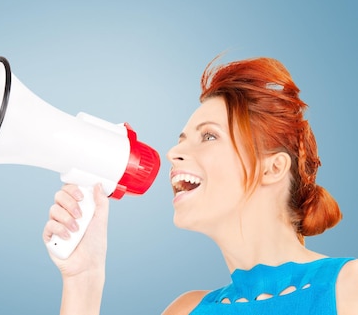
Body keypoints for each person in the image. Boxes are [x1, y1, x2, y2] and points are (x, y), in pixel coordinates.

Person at [43, 56, 358, 314]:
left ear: (272, 168)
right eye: (181, 140)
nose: (173, 153)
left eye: (209, 136)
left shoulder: (349, 287)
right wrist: (83, 281)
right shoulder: (186, 309)